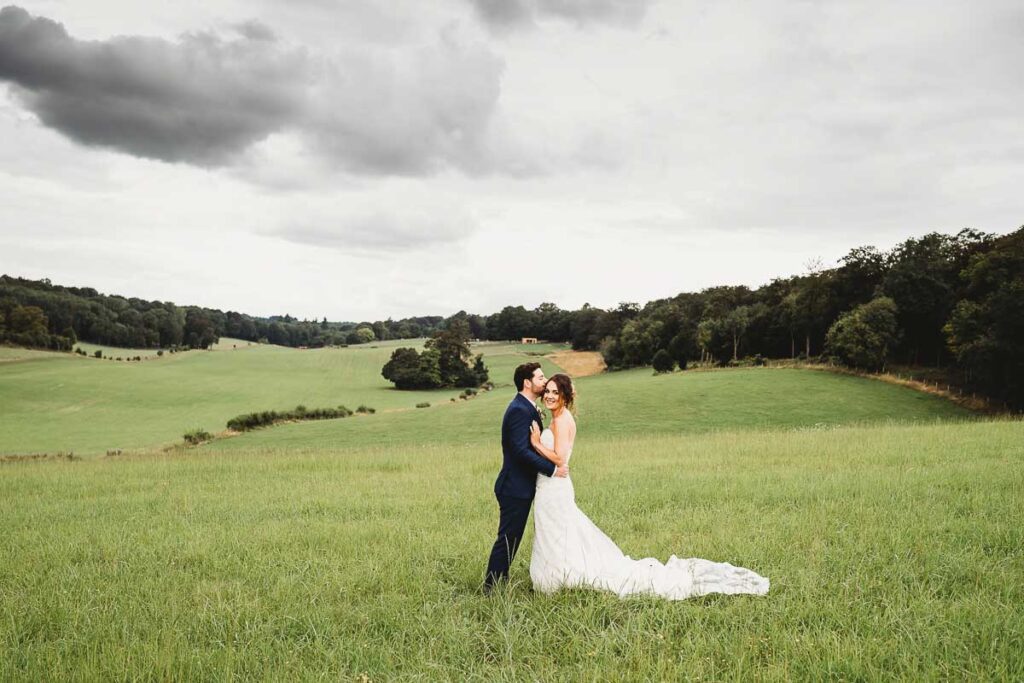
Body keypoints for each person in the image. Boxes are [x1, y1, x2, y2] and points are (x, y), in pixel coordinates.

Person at [528, 373, 770, 600]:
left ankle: (560, 576)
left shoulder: (561, 421)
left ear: (565, 397)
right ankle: (559, 574)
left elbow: (559, 458)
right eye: (547, 391)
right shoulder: (560, 418)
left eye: (555, 392)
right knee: (561, 533)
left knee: (561, 532)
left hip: (555, 488)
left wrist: (537, 443)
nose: (549, 395)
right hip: (554, 487)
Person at [483, 362, 569, 593]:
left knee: (513, 537)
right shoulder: (519, 410)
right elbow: (521, 452)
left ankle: (501, 579)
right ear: (527, 383)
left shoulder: (527, 407)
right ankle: (490, 587)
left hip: (521, 486)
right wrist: (552, 470)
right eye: (540, 378)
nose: (544, 381)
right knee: (508, 539)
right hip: (514, 487)